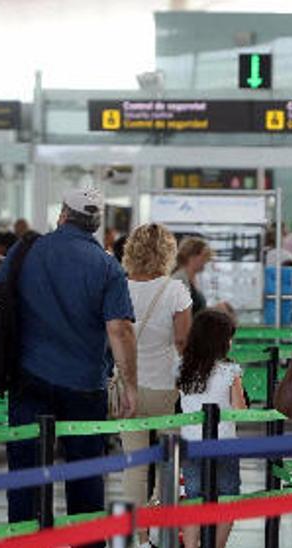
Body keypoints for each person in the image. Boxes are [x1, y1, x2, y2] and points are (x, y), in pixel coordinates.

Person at [2, 188, 137, 531]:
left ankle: (24, 539)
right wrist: (129, 384)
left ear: (63, 214)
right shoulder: (108, 266)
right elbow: (119, 330)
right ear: (96, 223)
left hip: (28, 377)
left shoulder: (26, 250)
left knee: (26, 471)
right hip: (84, 384)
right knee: (85, 472)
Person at [121, 224, 192, 544]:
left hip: (128, 388)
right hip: (165, 386)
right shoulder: (175, 290)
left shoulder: (119, 287)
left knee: (134, 464)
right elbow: (183, 341)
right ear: (167, 253)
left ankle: (134, 529)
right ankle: (160, 525)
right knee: (167, 462)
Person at [177, 309, 244, 548]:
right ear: (221, 341)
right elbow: (240, 410)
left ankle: (192, 544)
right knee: (228, 496)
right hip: (224, 444)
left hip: (191, 445)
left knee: (194, 498)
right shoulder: (230, 371)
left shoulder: (182, 368)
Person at [173, 237, 213, 315]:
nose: (206, 260)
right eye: (204, 256)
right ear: (192, 256)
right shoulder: (179, 280)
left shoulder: (194, 280)